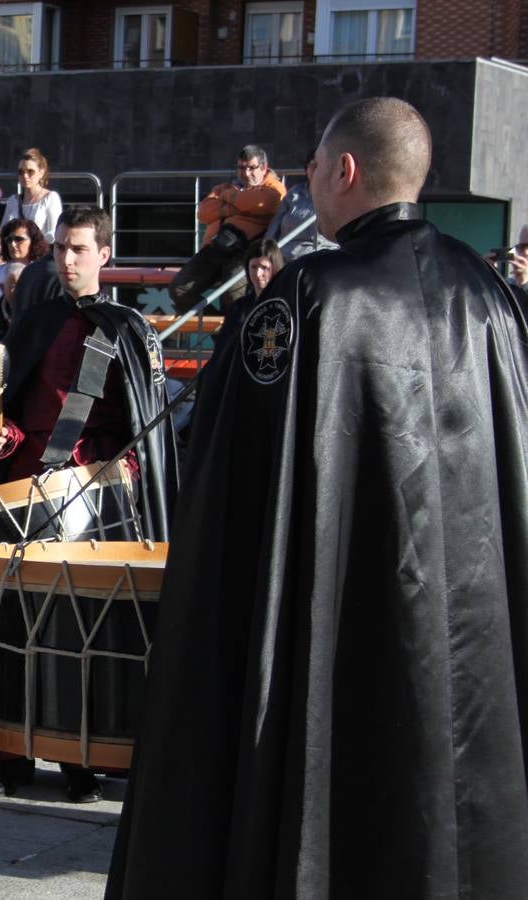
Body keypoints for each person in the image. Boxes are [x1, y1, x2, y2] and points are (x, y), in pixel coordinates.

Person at [106, 96, 528, 900]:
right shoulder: (494, 299)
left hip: (334, 620)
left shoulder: (306, 301)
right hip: (471, 627)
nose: (305, 183)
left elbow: (232, 487)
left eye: (312, 167)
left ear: (345, 170)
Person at [0, 205, 177, 805]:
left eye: (79, 249)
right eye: (61, 247)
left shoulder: (129, 330)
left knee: (75, 635)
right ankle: (8, 759)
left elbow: (145, 431)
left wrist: (118, 472)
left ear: (104, 256)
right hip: (22, 488)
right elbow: (12, 415)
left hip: (91, 498)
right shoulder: (33, 321)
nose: (67, 259)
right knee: (8, 627)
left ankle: (78, 763)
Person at [168, 143, 286, 312]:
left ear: (264, 167)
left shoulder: (273, 187)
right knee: (179, 288)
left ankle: (232, 334)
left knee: (232, 293)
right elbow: (203, 213)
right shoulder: (224, 187)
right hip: (216, 247)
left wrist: (227, 200)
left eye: (252, 168)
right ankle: (221, 336)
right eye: (241, 168)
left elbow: (265, 202)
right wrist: (236, 206)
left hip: (246, 251)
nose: (246, 173)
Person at [263, 150, 337, 261]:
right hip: (285, 258)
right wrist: (266, 251)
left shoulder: (336, 196)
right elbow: (275, 225)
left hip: (318, 259)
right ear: (306, 168)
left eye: (321, 165)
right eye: (313, 165)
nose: (316, 170)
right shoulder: (295, 193)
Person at [0, 218, 48, 310]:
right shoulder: (0, 271)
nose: (12, 244)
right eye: (9, 240)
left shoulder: (44, 270)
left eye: (19, 239)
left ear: (33, 241)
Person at [2, 148, 63, 241]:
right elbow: (2, 231)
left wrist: (31, 242)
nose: (25, 176)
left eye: (30, 171)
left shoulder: (50, 198)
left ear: (41, 173)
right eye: (21, 172)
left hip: (40, 252)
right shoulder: (13, 201)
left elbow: (55, 233)